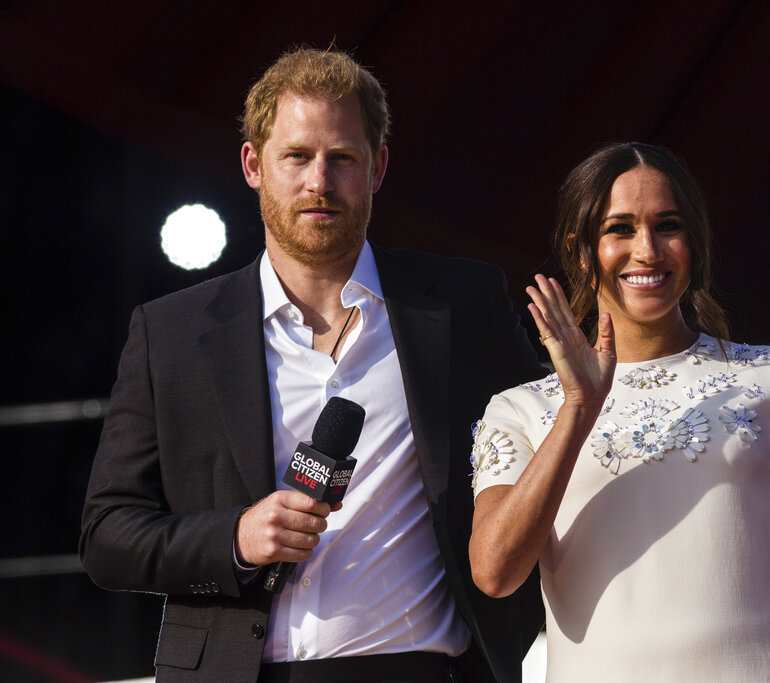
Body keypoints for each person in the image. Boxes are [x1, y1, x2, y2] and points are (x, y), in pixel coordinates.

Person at [80, 47, 545, 683]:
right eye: (297, 157)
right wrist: (236, 539)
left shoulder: (463, 308)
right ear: (254, 165)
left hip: (424, 669)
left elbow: (556, 448)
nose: (319, 182)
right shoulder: (172, 333)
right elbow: (107, 536)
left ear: (378, 167)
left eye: (342, 158)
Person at [468, 142, 770, 682]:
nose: (647, 250)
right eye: (619, 229)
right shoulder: (520, 410)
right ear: (580, 248)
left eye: (667, 225)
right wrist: (580, 407)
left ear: (695, 241)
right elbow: (495, 572)